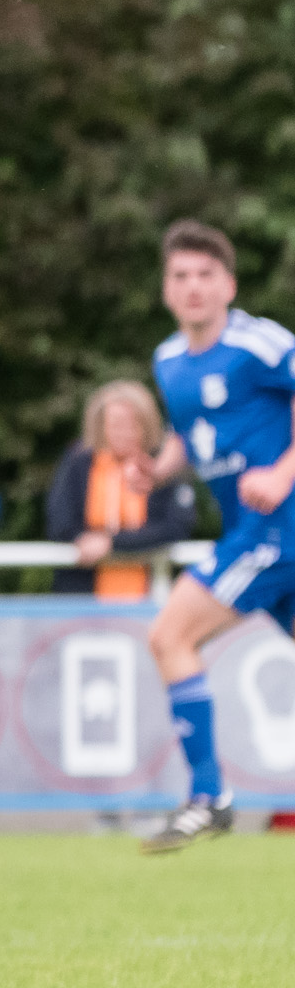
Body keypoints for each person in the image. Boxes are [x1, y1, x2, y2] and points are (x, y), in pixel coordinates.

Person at [131, 221, 295, 853]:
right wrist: (162, 467)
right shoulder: (169, 362)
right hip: (252, 529)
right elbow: (193, 435)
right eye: (180, 276)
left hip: (276, 529)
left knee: (169, 634)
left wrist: (282, 472)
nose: (193, 287)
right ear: (166, 289)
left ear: (229, 284)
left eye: (206, 275)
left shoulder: (260, 343)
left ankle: (208, 797)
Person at [44, 380, 196, 600]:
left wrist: (111, 543)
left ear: (147, 425)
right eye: (115, 423)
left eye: (132, 424)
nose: (123, 432)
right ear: (101, 425)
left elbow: (176, 526)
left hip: (150, 591)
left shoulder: (164, 465)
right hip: (82, 592)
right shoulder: (78, 462)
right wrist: (84, 542)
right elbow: (59, 522)